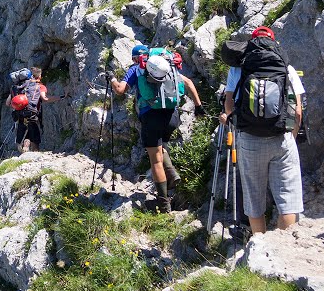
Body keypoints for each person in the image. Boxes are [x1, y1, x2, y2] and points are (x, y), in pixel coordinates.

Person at [219, 26, 304, 234]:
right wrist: (290, 136)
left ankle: (259, 247)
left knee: (254, 199)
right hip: (281, 138)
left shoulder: (238, 69)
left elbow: (229, 106)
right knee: (288, 199)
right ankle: (285, 249)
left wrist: (235, 119)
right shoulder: (286, 68)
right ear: (274, 44)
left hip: (250, 140)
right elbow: (298, 111)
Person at [110, 44, 203, 212]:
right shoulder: (166, 66)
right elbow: (188, 82)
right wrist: (198, 106)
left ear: (135, 58)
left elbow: (120, 90)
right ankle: (172, 175)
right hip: (171, 117)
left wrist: (112, 79)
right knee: (161, 147)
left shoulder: (136, 69)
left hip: (151, 117)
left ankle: (163, 204)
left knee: (156, 160)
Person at [15, 67, 64, 152]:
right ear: (39, 76)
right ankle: (34, 157)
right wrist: (61, 97)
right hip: (32, 115)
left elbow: (8, 103)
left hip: (20, 114)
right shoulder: (39, 86)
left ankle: (24, 155)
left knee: (25, 136)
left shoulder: (22, 86)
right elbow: (45, 99)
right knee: (35, 139)